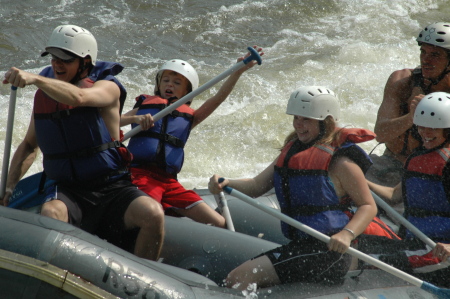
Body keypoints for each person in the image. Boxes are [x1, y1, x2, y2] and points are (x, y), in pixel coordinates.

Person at [1, 25, 164, 261]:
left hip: (111, 187)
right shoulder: (46, 96)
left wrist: (35, 78)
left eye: (65, 60)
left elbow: (79, 97)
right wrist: (8, 187)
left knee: (153, 214)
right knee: (50, 212)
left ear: (85, 63)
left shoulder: (107, 88)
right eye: (54, 58)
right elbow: (29, 146)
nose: (57, 64)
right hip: (68, 189)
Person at [208, 86, 397, 291]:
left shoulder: (341, 163)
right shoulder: (293, 150)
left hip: (329, 252)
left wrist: (347, 234)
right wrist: (227, 183)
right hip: (304, 247)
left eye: (306, 119)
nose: (299, 125)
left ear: (326, 122)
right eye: (296, 118)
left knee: (239, 278)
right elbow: (256, 186)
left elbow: (368, 206)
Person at [120, 46, 263, 228]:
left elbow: (218, 98)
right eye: (166, 80)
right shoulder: (144, 108)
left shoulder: (190, 117)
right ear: (158, 84)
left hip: (169, 182)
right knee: (150, 213)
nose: (170, 85)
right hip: (140, 175)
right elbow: (112, 122)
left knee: (218, 222)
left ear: (188, 93)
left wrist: (238, 72)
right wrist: (135, 118)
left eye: (177, 83)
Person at [365, 91, 450, 287]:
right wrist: (359, 181)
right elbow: (394, 195)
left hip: (439, 252)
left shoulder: (447, 164)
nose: (425, 133)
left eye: (433, 128)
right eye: (422, 126)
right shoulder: (419, 158)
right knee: (359, 244)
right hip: (416, 242)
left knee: (366, 259)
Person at [366, 22, 450, 188]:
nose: (425, 60)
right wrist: (411, 117)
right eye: (423, 52)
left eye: (435, 55)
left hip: (433, 173)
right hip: (390, 165)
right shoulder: (402, 81)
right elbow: (381, 134)